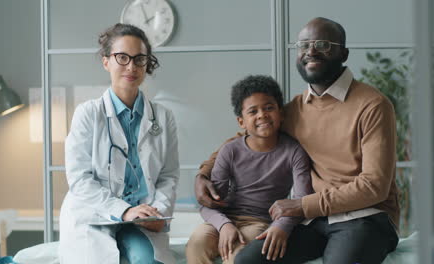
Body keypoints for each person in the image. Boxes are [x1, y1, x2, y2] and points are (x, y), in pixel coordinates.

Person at [195, 17, 399, 264]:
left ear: (343, 54)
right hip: (315, 221)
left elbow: (374, 186)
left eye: (322, 44)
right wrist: (203, 175)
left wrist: (302, 206)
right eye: (303, 45)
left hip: (366, 218)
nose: (310, 51)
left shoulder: (373, 105)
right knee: (249, 260)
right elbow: (247, 135)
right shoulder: (295, 109)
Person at [59, 23, 179, 264]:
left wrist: (158, 211)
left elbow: (168, 175)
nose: (131, 66)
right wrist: (124, 210)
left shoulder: (163, 117)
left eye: (139, 59)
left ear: (147, 63)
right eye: (122, 57)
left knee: (147, 261)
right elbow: (80, 179)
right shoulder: (88, 114)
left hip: (142, 219)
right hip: (95, 216)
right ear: (106, 61)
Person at [186, 75, 313, 264]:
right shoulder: (230, 150)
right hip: (223, 218)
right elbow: (208, 203)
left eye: (269, 108)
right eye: (253, 111)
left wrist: (282, 226)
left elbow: (300, 201)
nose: (262, 115)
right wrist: (225, 225)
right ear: (241, 122)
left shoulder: (294, 152)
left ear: (281, 114)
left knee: (238, 254)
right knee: (197, 242)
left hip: (259, 222)